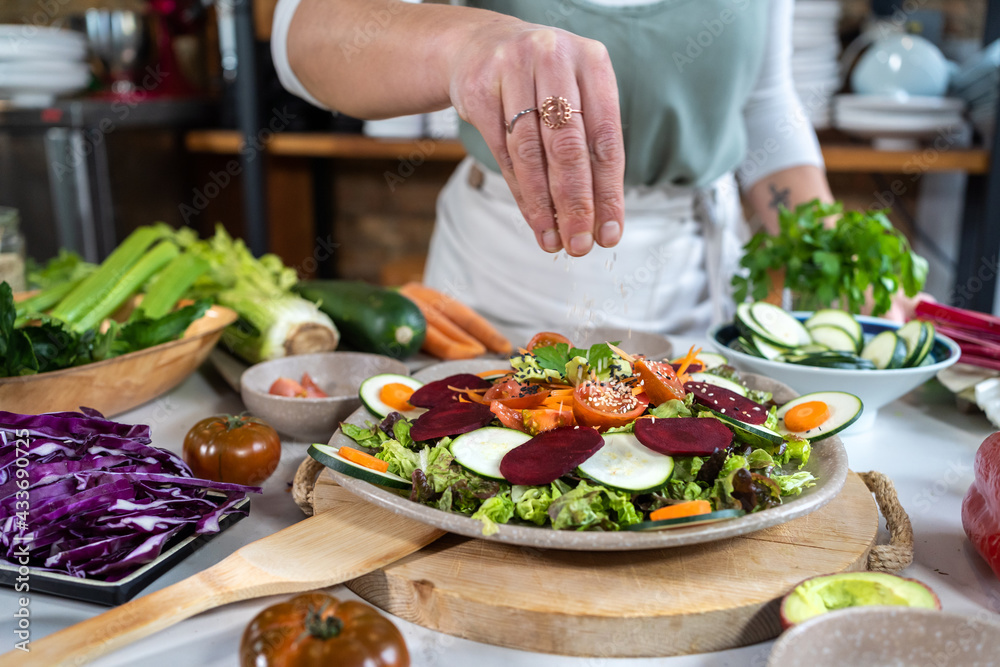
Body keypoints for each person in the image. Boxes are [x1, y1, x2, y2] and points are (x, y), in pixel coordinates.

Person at [271, 0, 834, 343]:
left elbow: (763, 100)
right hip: (498, 284)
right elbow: (301, 36)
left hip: (693, 286)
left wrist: (825, 249)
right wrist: (465, 43)